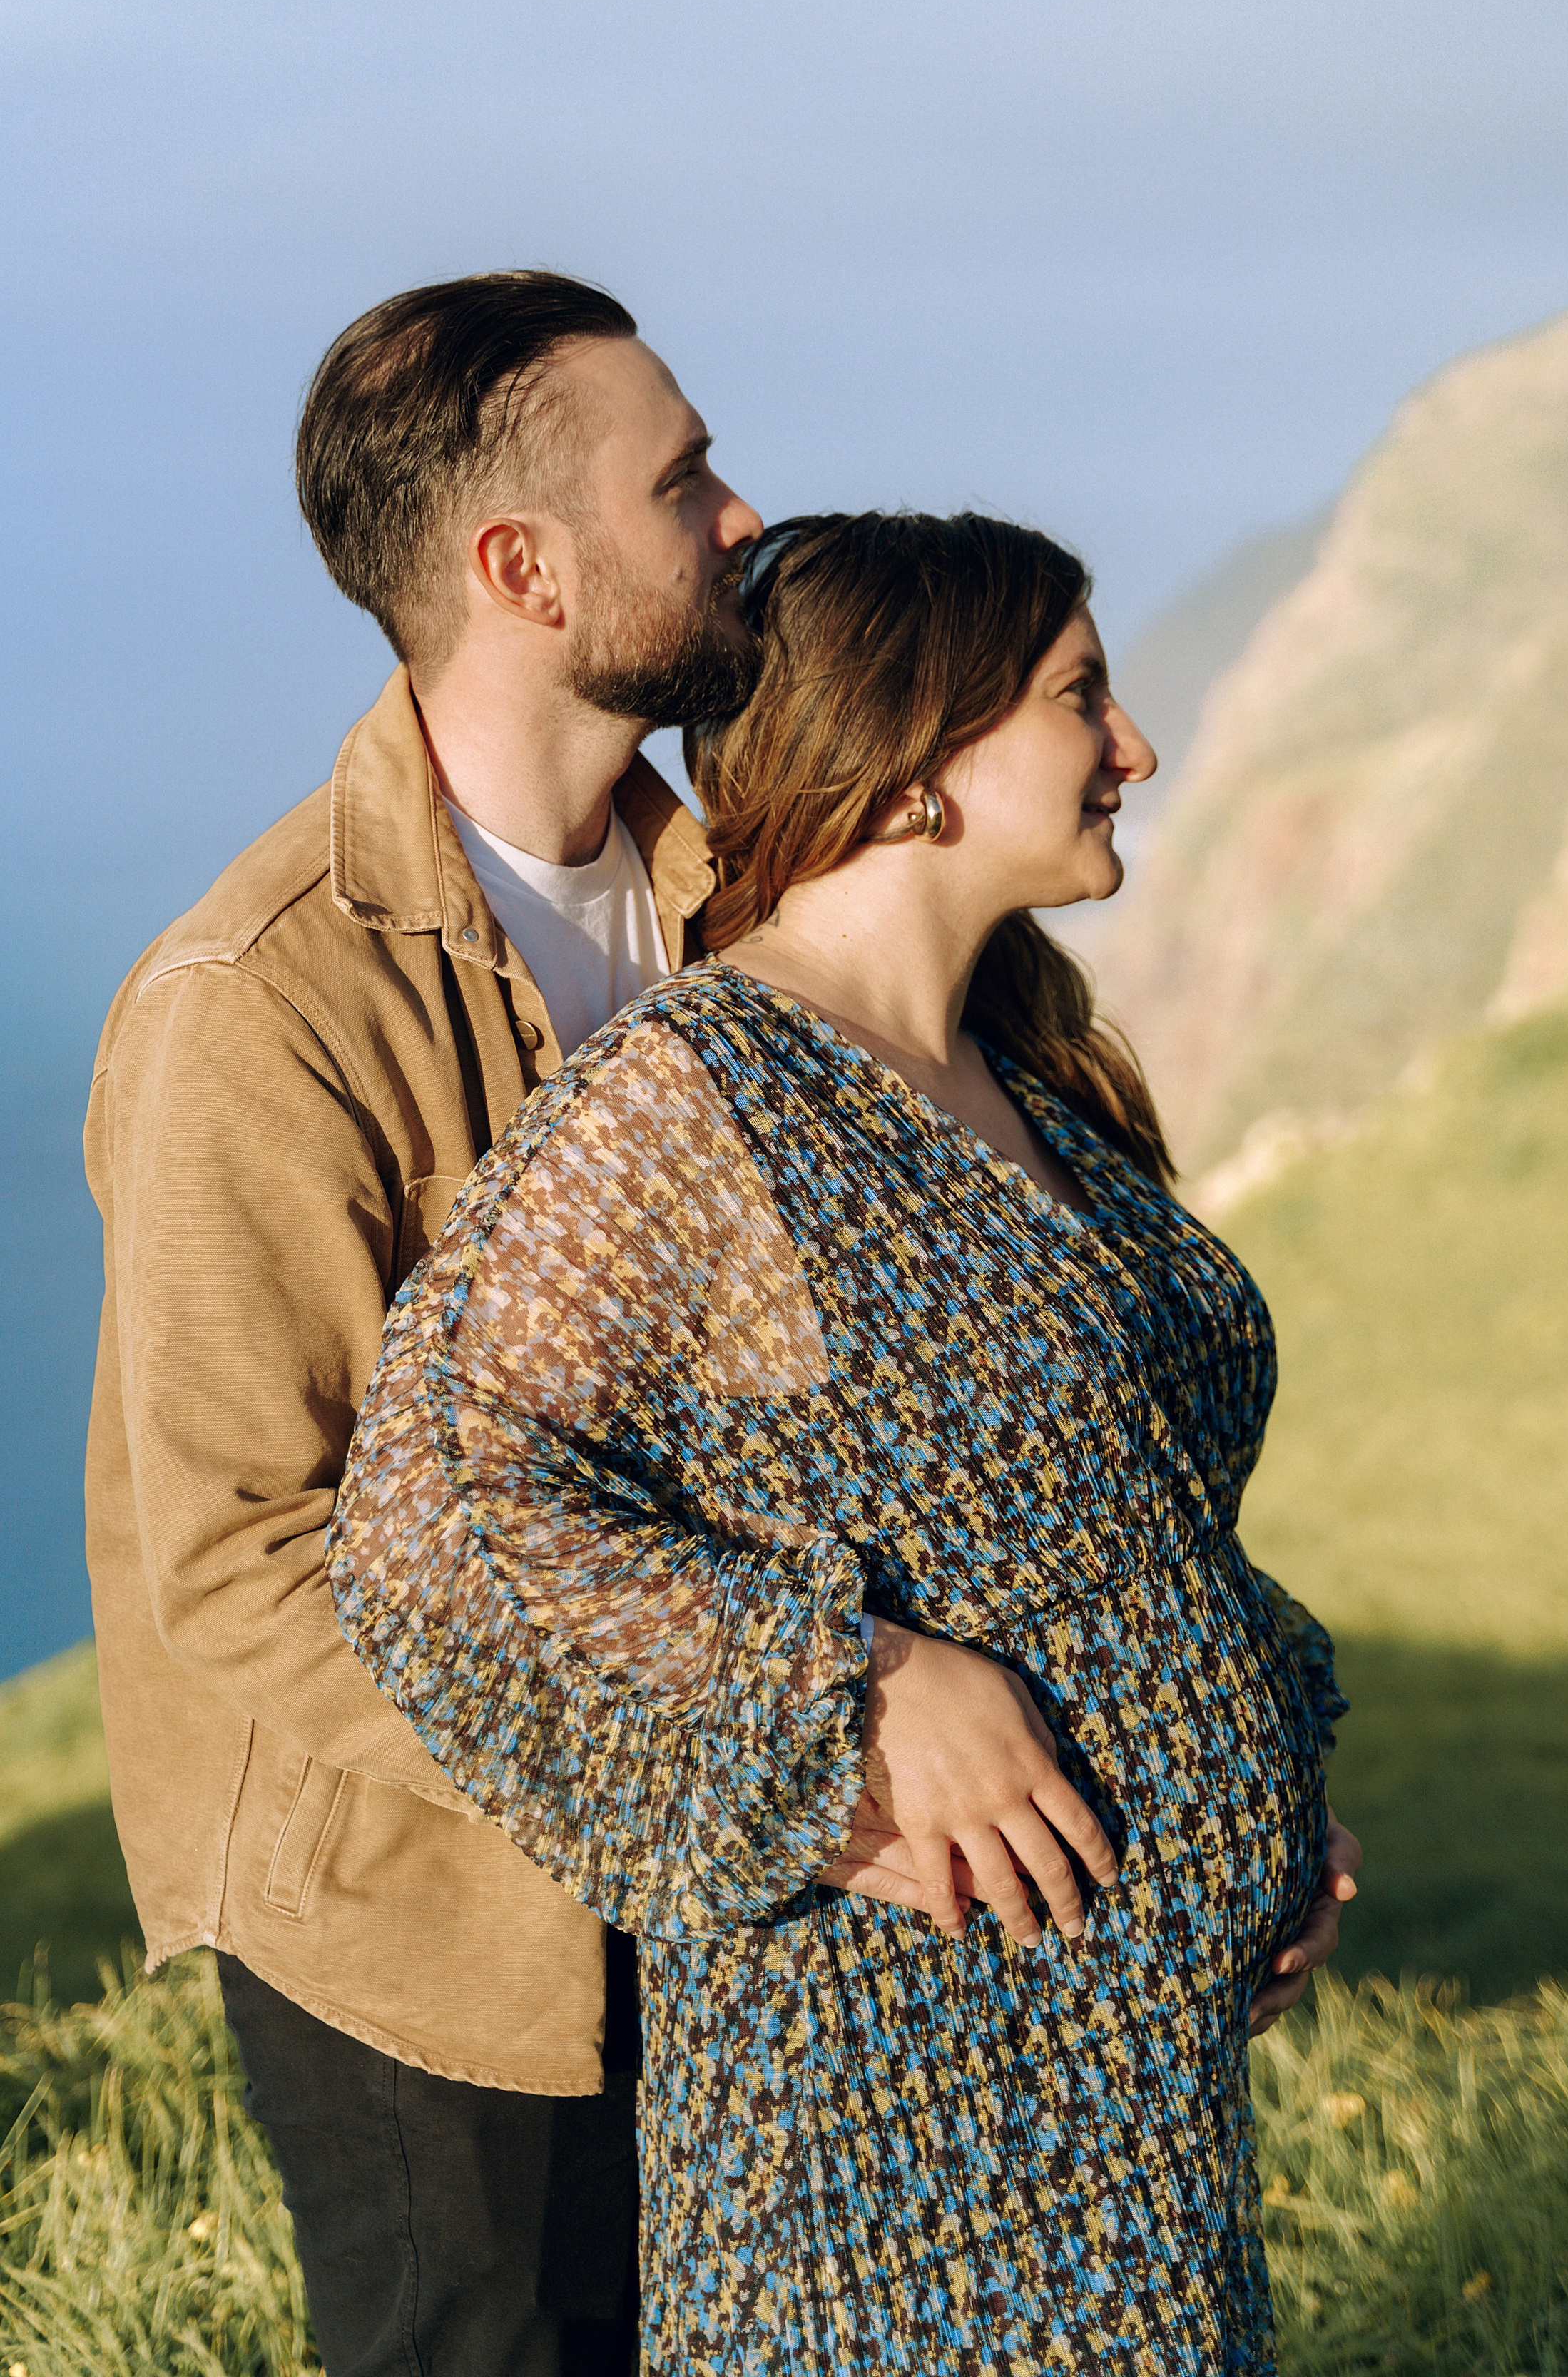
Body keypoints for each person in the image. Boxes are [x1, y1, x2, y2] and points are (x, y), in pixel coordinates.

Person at [329, 509, 1363, 2375]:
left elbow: (1112, 1518)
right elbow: (435, 1512)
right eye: (1079, 700)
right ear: (915, 768)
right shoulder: (703, 1099)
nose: (1135, 746)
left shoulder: (1020, 1062)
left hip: (1125, 2115)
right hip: (891, 2131)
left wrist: (1270, 1763)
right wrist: (848, 1683)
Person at [82, 270, 764, 2376]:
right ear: (520, 569)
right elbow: (240, 1553)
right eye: (686, 479)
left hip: (719, 1836)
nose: (743, 518)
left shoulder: (742, 908)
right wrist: (706, 1758)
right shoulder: (259, 1007)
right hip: (412, 1905)